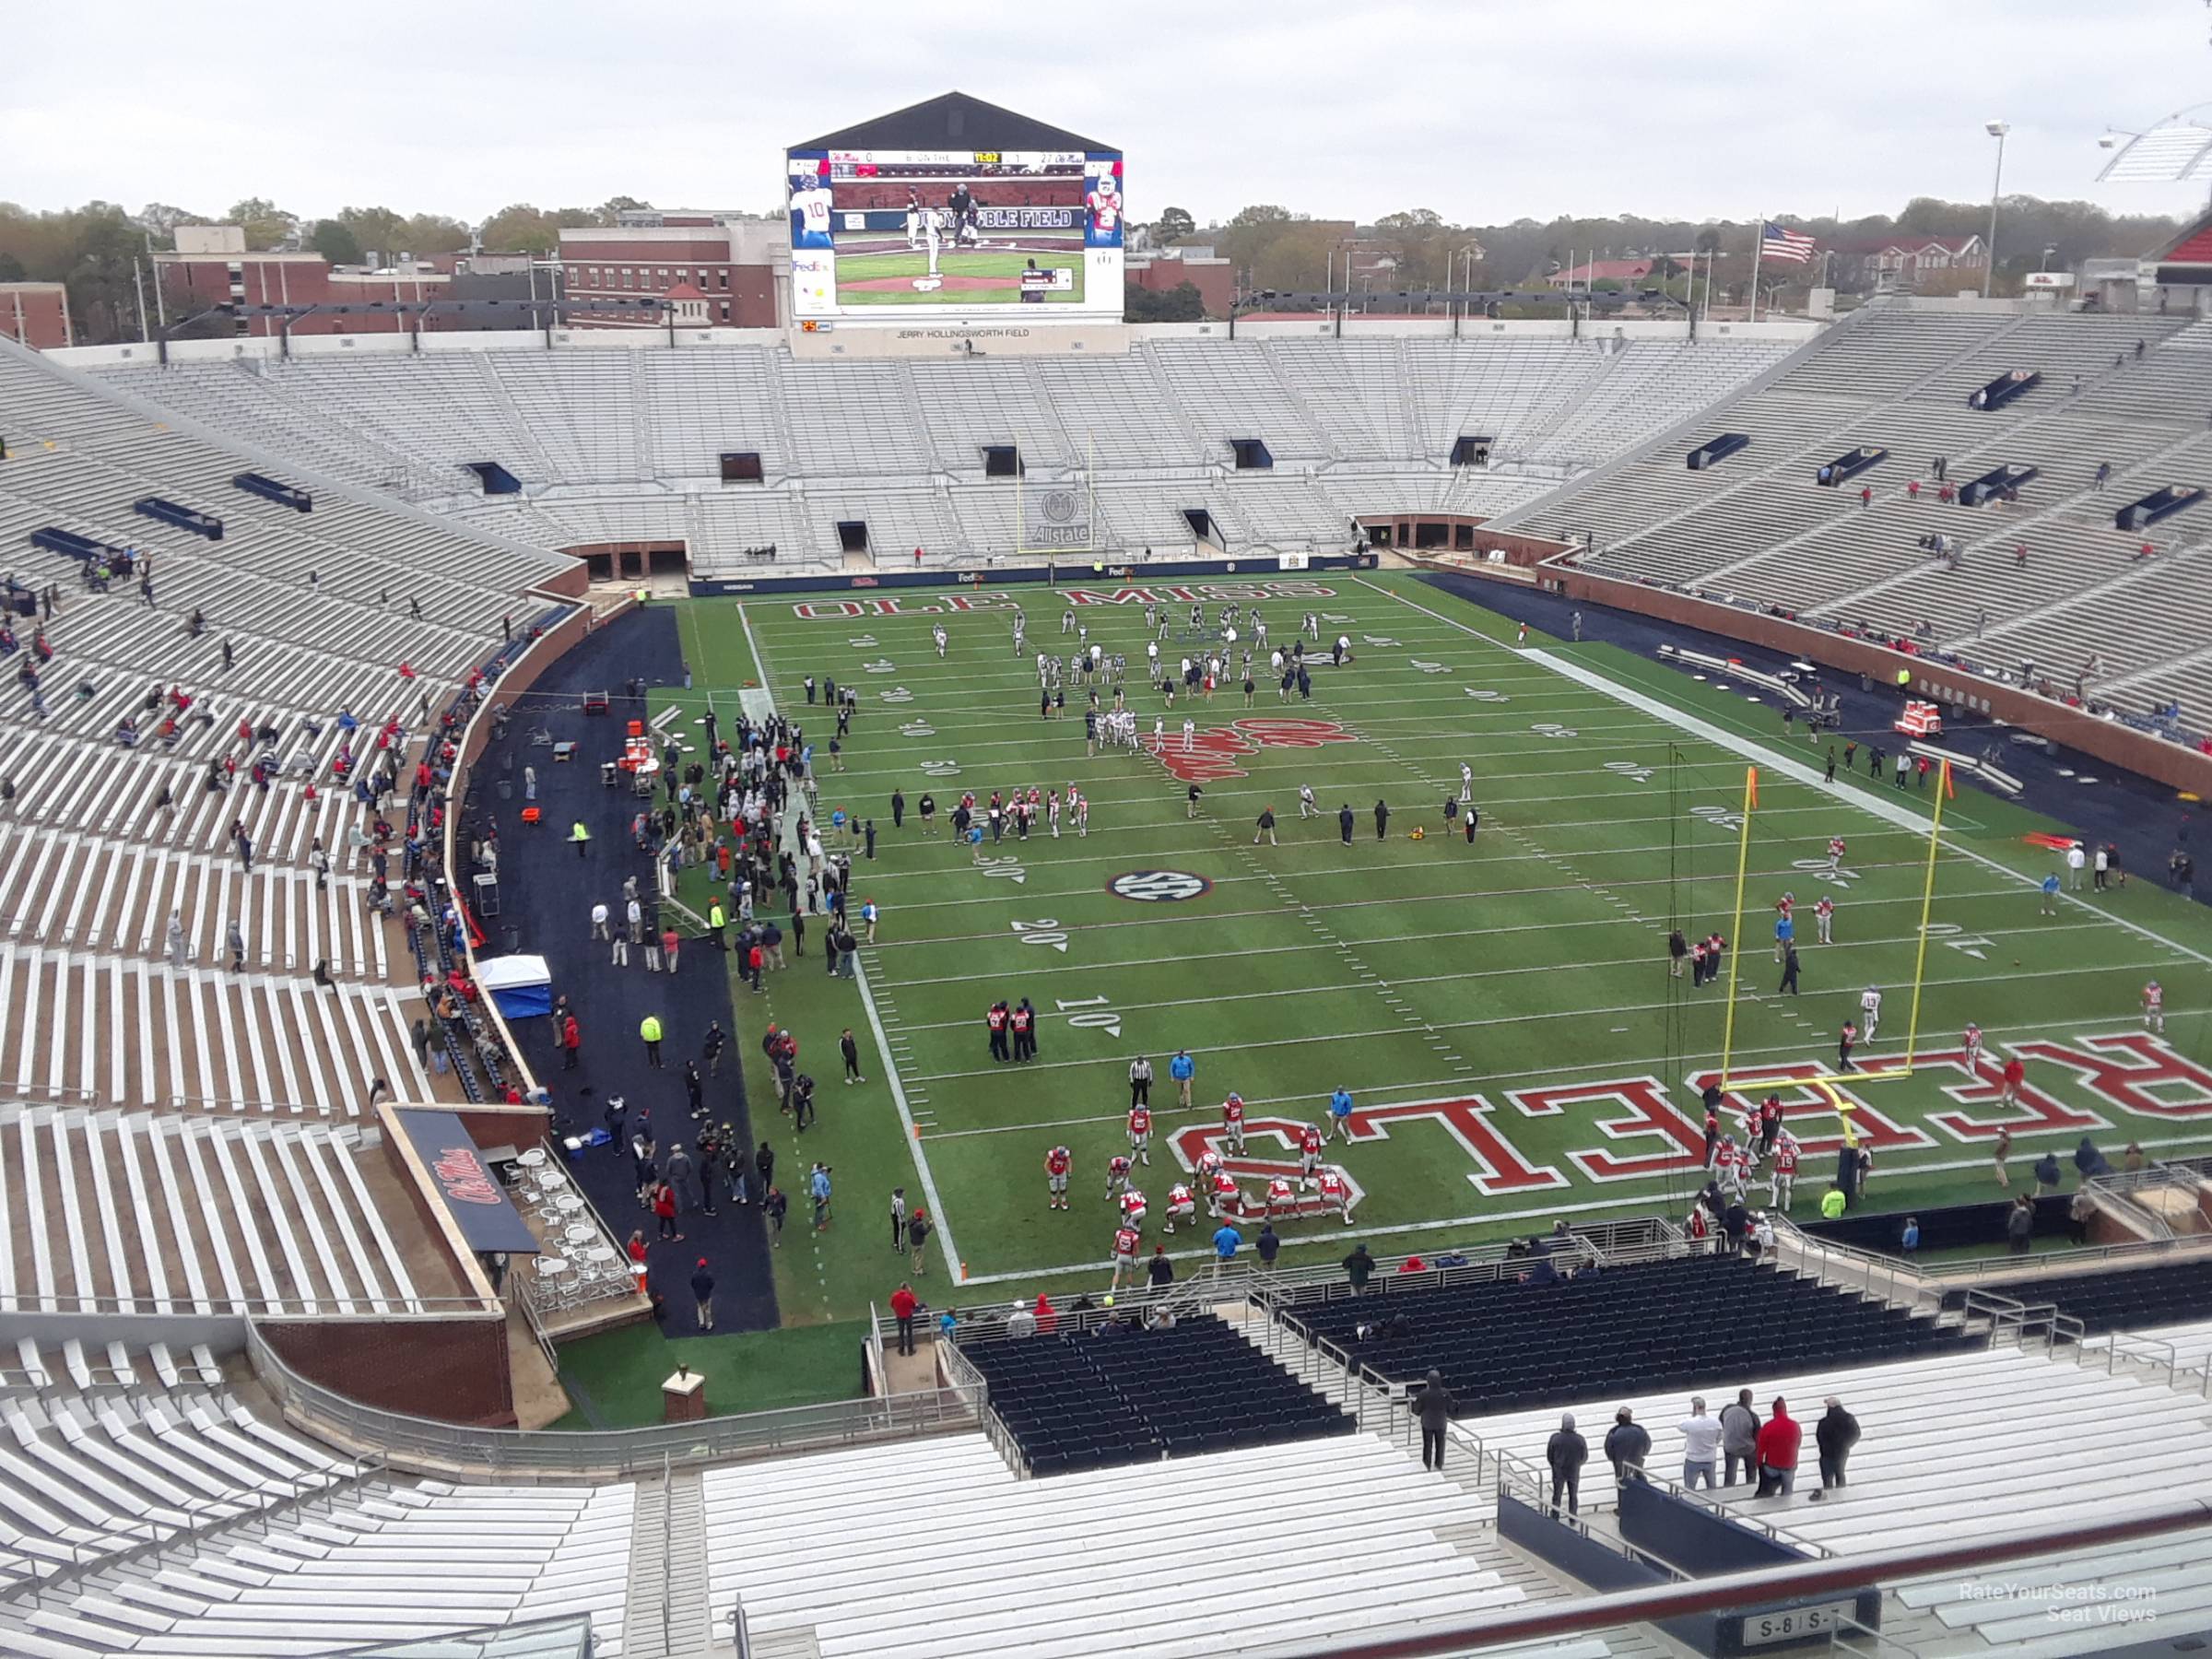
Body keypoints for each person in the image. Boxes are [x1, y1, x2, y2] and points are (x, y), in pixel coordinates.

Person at [1810, 1397, 1859, 1500]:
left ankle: (1829, 1498)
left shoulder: (1823, 1423)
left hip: (1827, 1455)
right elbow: (1856, 1433)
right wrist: (1846, 1445)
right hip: (1842, 1453)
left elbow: (1820, 1438)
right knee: (1840, 1473)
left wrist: (1824, 1448)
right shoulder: (1849, 1418)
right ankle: (1841, 1497)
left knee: (1827, 1478)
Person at [1754, 1397, 1801, 1497]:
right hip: (1789, 1465)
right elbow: (1798, 1443)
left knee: (1768, 1491)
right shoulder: (1795, 1425)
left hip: (1772, 1467)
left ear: (1774, 1411)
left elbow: (1761, 1449)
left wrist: (1759, 1464)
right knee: (1787, 1494)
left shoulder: (1768, 1426)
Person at [1413, 1369, 1455, 1472]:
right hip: (1441, 1423)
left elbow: (1417, 1410)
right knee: (1440, 1445)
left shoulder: (1423, 1394)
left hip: (1427, 1423)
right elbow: (1451, 1408)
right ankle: (1439, 1464)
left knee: (1427, 1445)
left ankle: (1426, 1464)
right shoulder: (1445, 1393)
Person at [1546, 1413, 1587, 1515]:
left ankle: (1555, 1515)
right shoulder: (1580, 1439)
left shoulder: (1555, 1438)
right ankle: (1573, 1516)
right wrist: (1578, 1464)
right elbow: (1584, 1456)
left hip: (1559, 1470)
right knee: (1573, 1495)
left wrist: (1554, 1465)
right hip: (1573, 1470)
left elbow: (1549, 1455)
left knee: (1557, 1495)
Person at [1678, 1396, 1722, 1489]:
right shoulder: (1715, 1422)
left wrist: (1692, 1416)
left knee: (1690, 1488)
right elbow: (1719, 1437)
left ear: (1695, 1408)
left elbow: (1680, 1425)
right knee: (1712, 1487)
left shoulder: (1690, 1423)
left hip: (1693, 1459)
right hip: (1710, 1458)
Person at [1720, 1389, 1760, 1487]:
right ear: (1750, 1400)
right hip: (1747, 1448)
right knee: (1751, 1471)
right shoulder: (1753, 1416)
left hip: (1730, 1447)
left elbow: (1721, 1421)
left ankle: (1728, 1488)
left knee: (1730, 1473)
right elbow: (1757, 1436)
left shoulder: (1727, 1409)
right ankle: (1750, 1486)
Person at [1604, 1407, 1650, 1488]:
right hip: (1637, 1464)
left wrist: (1615, 1459)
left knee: (1622, 1485)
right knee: (1639, 1483)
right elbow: (1647, 1445)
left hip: (1620, 1466)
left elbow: (1609, 1450)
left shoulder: (1613, 1432)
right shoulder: (1639, 1430)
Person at [889, 1281, 919, 1356]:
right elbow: (914, 1305)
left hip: (899, 1316)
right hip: (908, 1316)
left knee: (901, 1333)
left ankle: (901, 1351)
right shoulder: (908, 1296)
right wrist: (911, 1293)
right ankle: (910, 1351)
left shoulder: (895, 1295)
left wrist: (897, 1310)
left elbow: (892, 1305)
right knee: (909, 1333)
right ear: (906, 1288)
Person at [689, 1257, 716, 1332]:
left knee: (700, 1308)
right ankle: (709, 1325)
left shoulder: (695, 1274)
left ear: (699, 1265)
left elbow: (692, 1284)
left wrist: (697, 1290)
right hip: (707, 1295)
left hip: (698, 1295)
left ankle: (701, 1323)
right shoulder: (708, 1275)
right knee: (707, 1309)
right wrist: (708, 1289)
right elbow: (712, 1284)